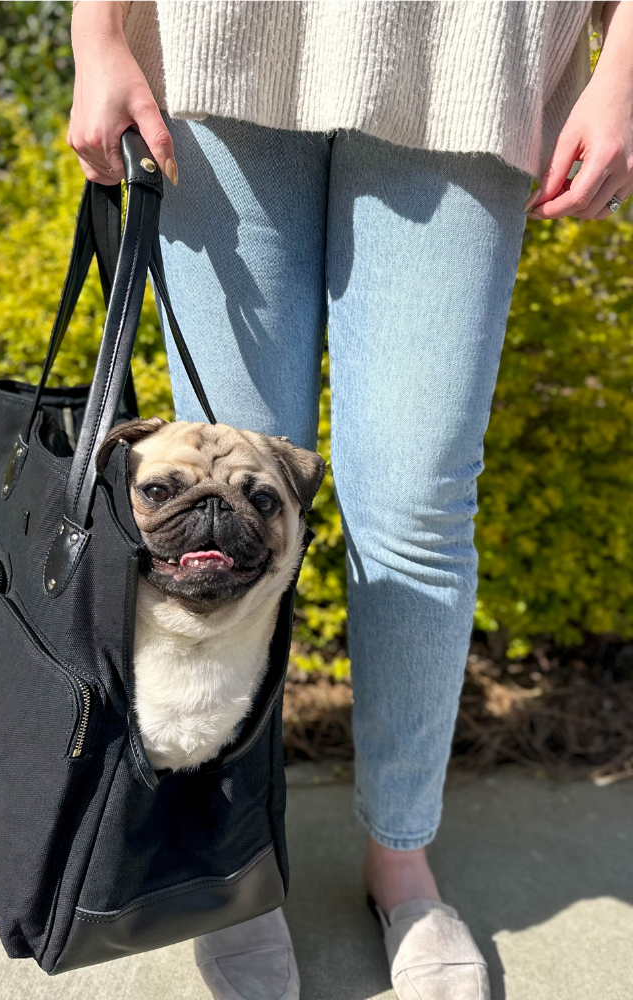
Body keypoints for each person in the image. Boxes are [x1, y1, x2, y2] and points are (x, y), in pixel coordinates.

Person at [68, 3, 633, 999]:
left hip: (465, 47)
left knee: (413, 506)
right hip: (216, 47)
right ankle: (230, 858)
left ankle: (401, 858)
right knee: (214, 508)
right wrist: (96, 32)